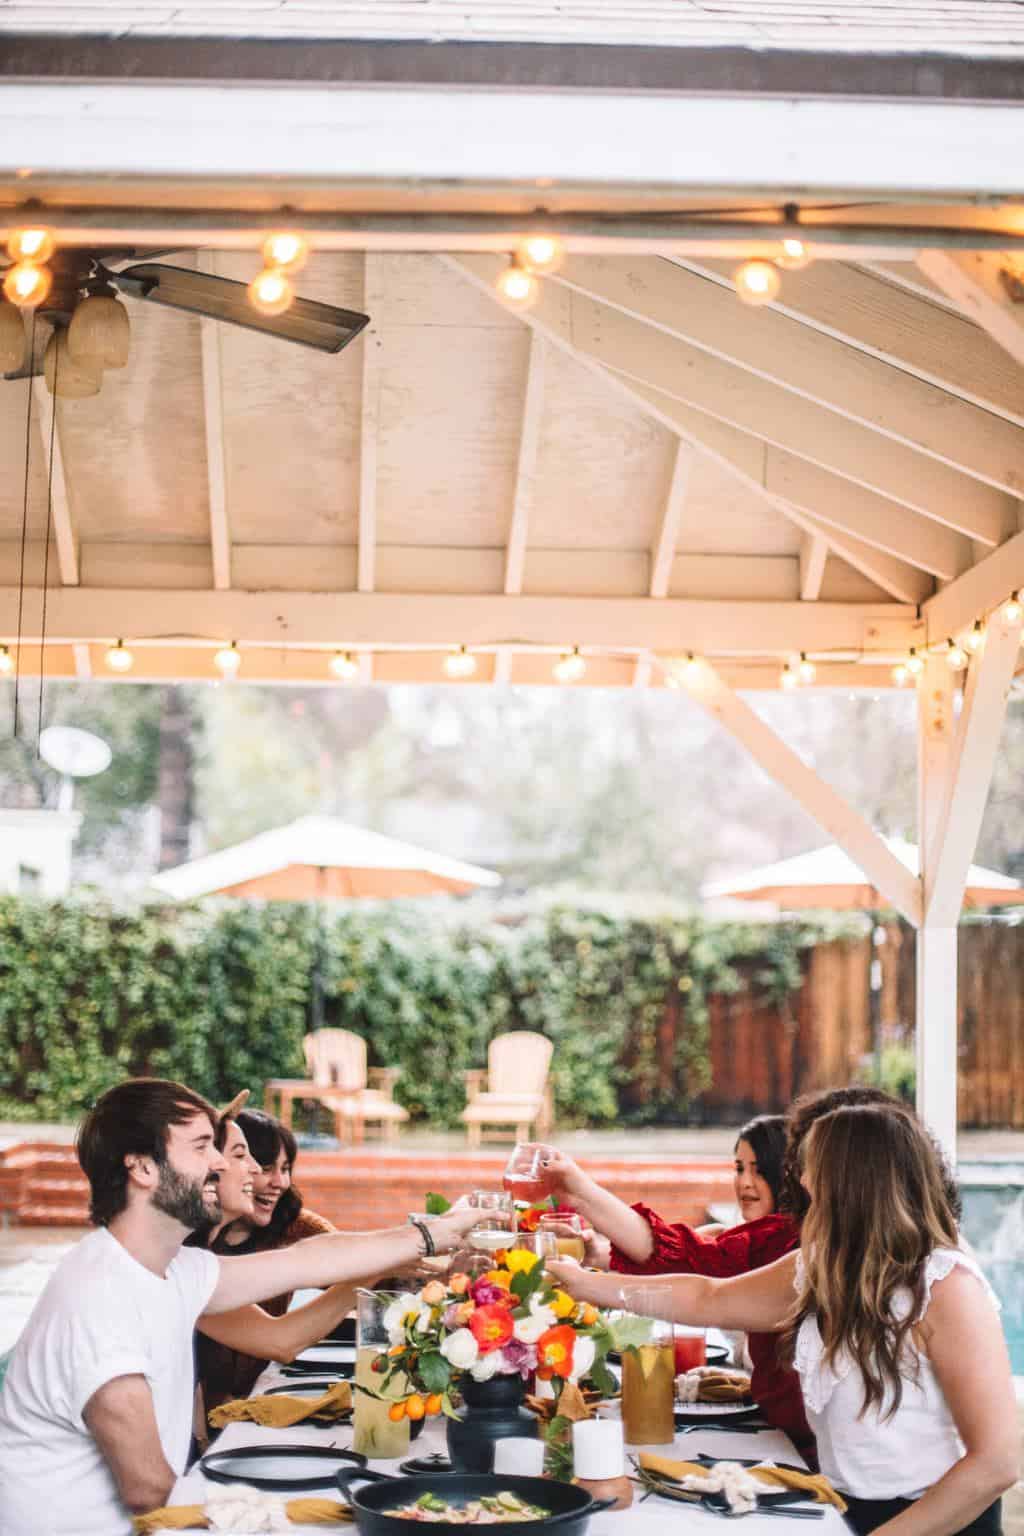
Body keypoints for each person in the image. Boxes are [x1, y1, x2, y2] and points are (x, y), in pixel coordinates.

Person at [0, 1077, 479, 1536]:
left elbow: (305, 1260)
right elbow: (147, 1490)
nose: (222, 1164)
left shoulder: (175, 1268)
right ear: (143, 1168)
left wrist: (431, 1233)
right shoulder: (100, 1297)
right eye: (201, 1147)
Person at [551, 1103, 1018, 1536]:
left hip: (933, 1521)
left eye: (812, 1166)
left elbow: (997, 1462)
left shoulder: (944, 1286)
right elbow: (709, 1297)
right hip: (842, 1509)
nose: (802, 1179)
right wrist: (585, 1283)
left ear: (852, 1179)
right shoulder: (827, 1265)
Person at [187, 1106, 360, 1416]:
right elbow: (280, 1340)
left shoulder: (294, 1226)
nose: (278, 1181)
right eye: (254, 1161)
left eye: (286, 1168)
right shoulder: (187, 1259)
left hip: (245, 1409)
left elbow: (348, 1259)